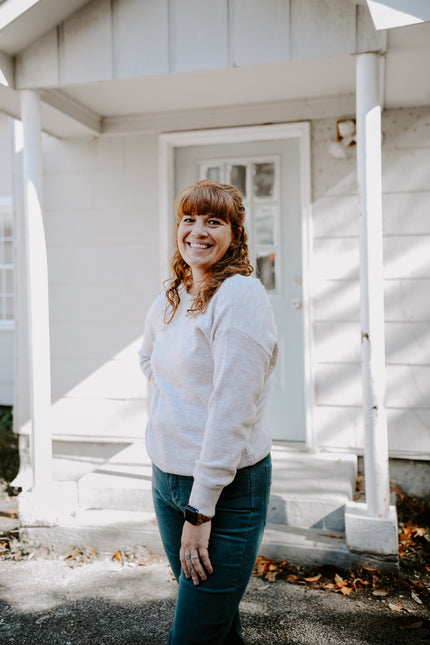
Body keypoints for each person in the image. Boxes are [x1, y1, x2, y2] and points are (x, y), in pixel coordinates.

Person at [139, 180, 278, 644]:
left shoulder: (239, 296)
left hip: (227, 489)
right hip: (167, 481)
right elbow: (148, 359)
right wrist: (178, 404)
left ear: (235, 234)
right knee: (217, 625)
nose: (197, 231)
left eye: (213, 221)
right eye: (189, 219)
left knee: (194, 634)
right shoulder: (173, 295)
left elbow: (233, 408)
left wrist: (200, 513)